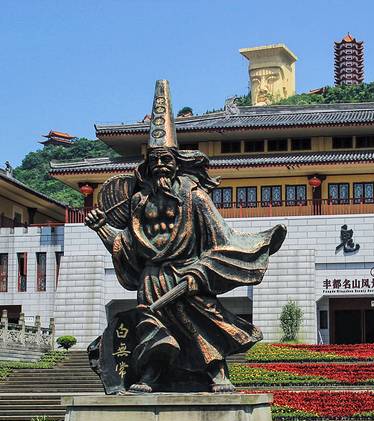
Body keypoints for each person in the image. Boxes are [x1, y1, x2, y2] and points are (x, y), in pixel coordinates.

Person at [85, 80, 286, 394]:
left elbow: (220, 240)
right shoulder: (139, 202)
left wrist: (200, 273)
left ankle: (217, 373)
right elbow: (128, 247)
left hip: (188, 274)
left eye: (166, 159)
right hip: (152, 278)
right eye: (155, 160)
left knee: (201, 325)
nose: (161, 165)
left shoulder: (195, 196)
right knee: (152, 326)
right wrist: (103, 229)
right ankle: (151, 376)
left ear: (177, 163)